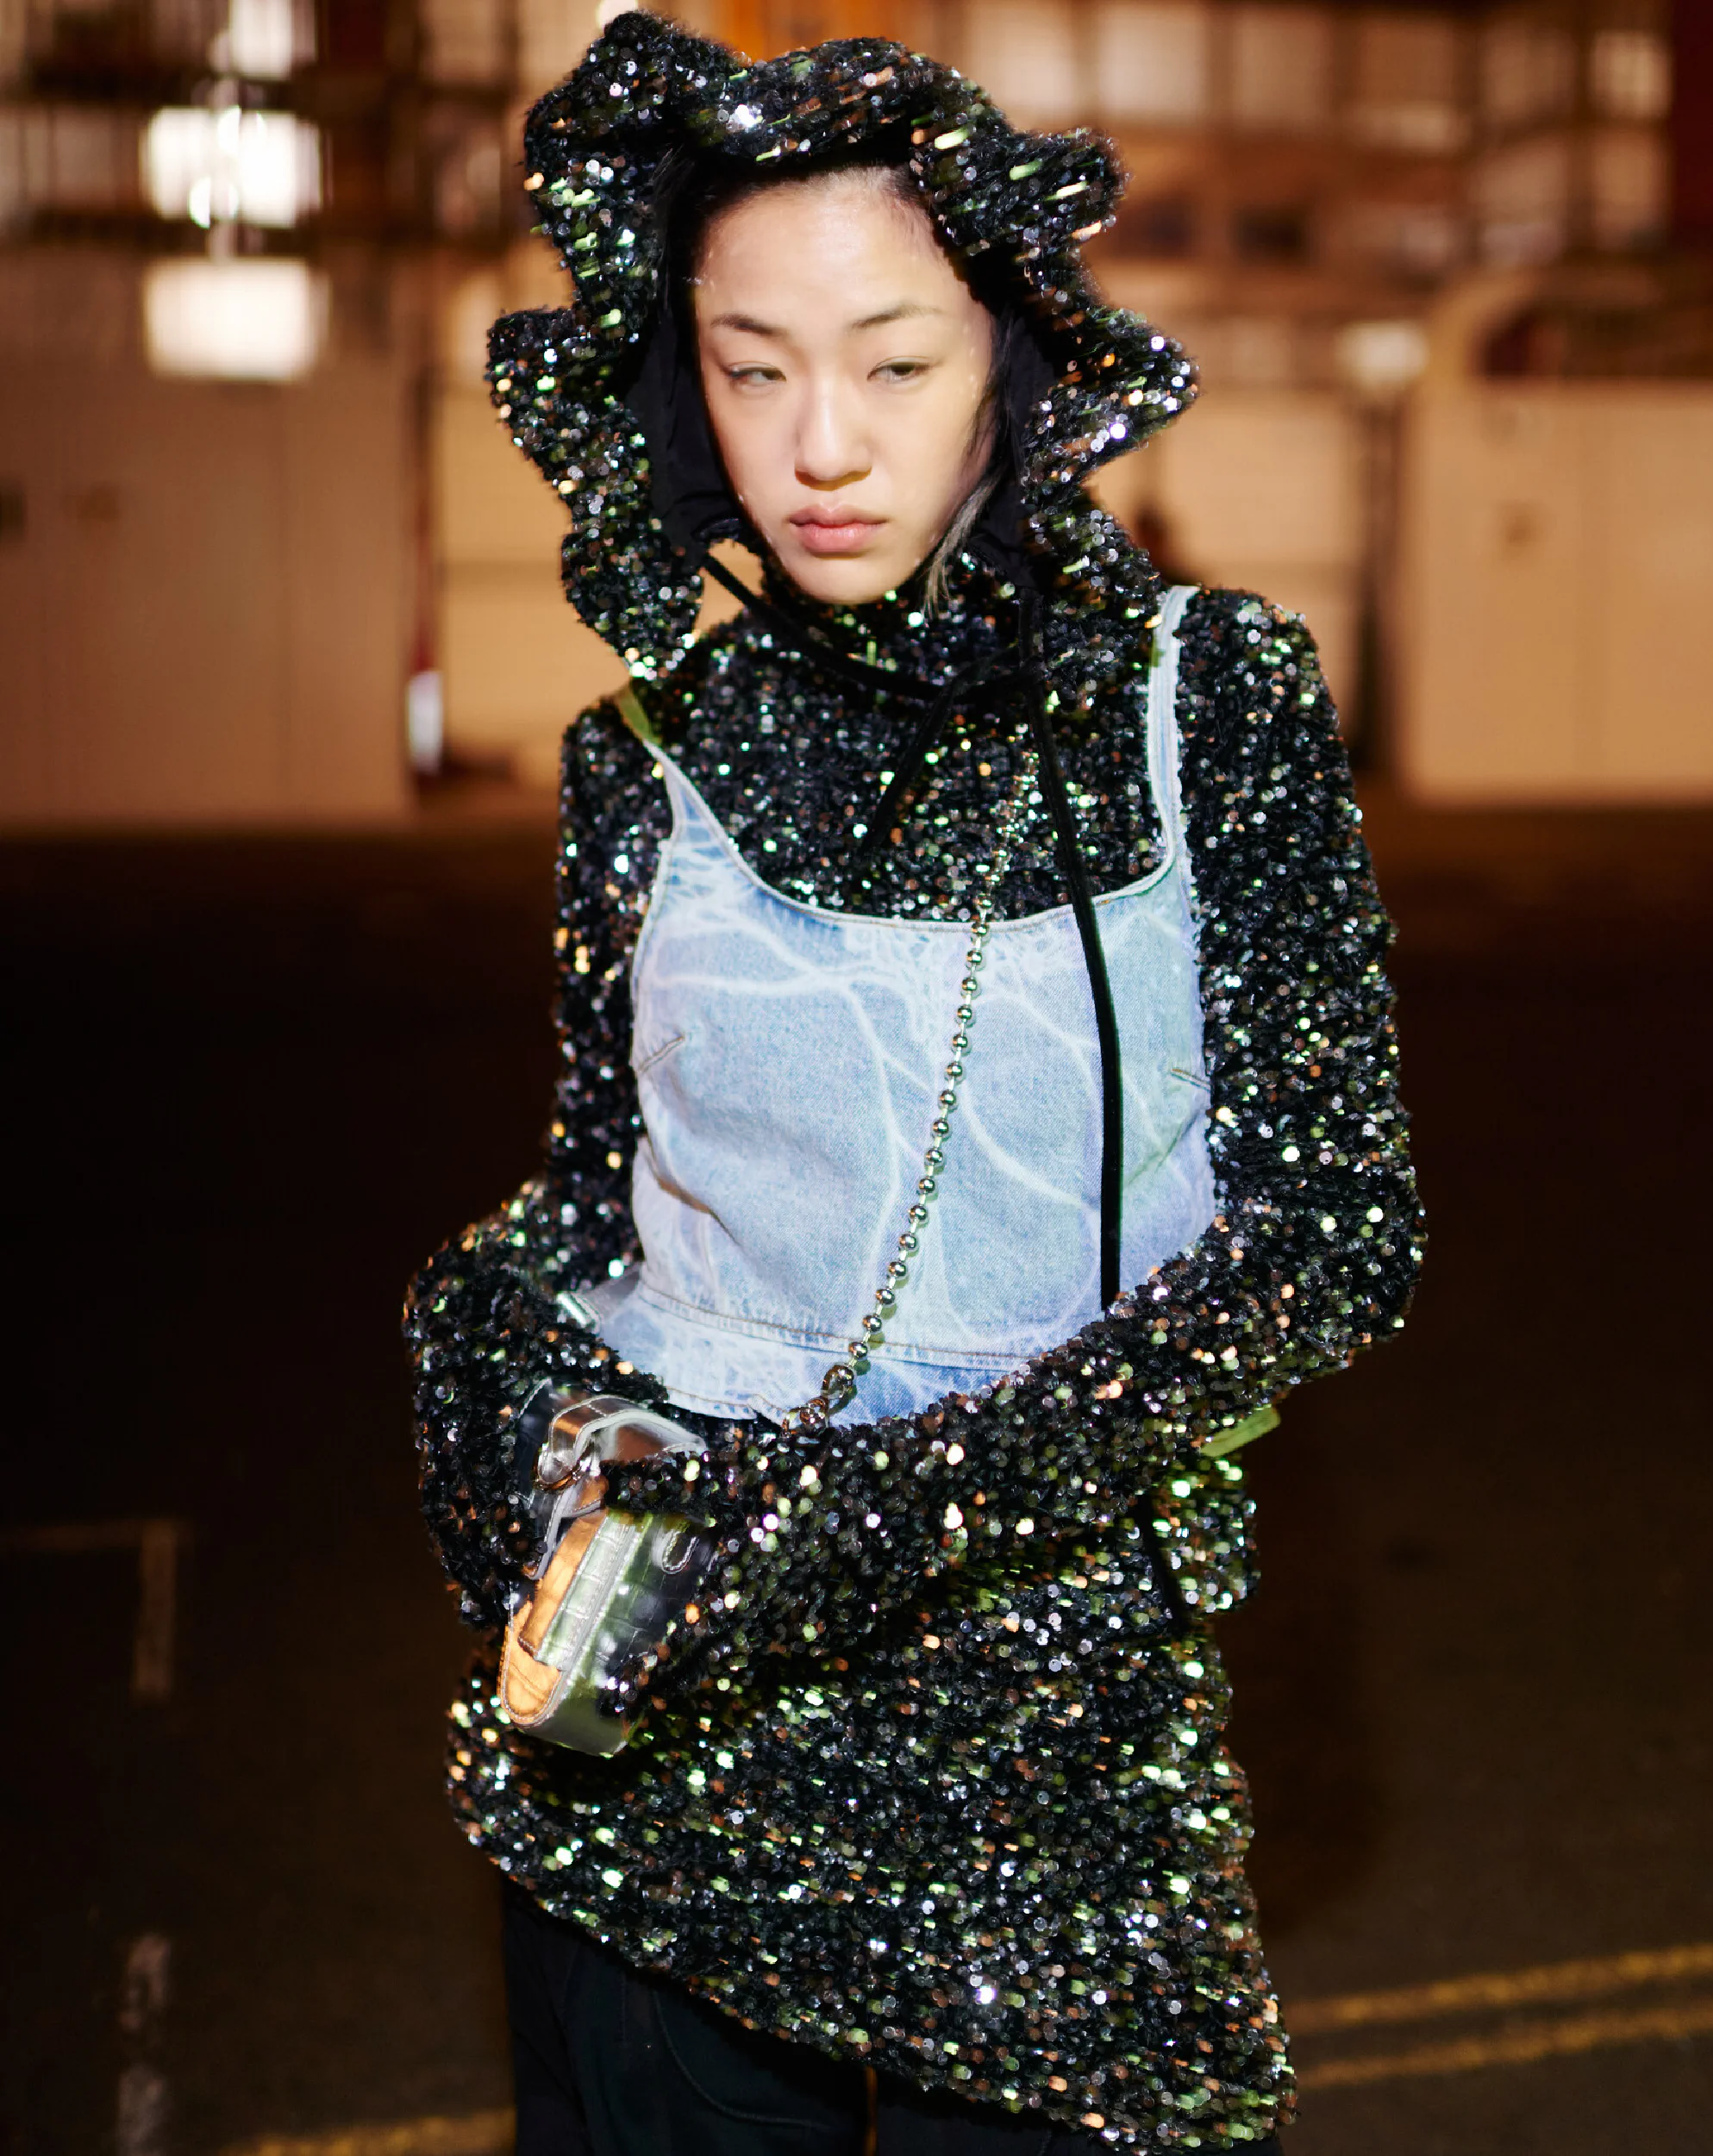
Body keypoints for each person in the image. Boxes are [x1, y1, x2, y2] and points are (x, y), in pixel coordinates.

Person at [406, 15, 1422, 2154]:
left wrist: (888, 1506)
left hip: (1047, 1744)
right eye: (750, 365)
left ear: (1015, 359)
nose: (821, 444)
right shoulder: (641, 752)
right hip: (665, 1737)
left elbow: (1331, 1230)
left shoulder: (1201, 702)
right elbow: (604, 1195)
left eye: (894, 361)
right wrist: (495, 1356)